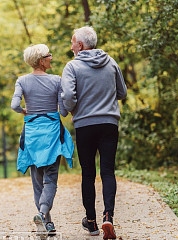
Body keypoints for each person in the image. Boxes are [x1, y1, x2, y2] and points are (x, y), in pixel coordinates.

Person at [61, 26, 127, 239]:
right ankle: (108, 216)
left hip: (85, 125)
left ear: (80, 45)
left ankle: (91, 222)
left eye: (72, 42)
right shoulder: (111, 62)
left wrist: (74, 110)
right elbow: (122, 92)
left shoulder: (72, 67)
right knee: (107, 171)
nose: (71, 46)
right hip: (109, 123)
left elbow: (69, 97)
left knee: (88, 173)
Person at [11, 44, 74, 235]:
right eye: (49, 55)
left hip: (31, 135)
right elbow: (63, 111)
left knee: (37, 180)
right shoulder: (56, 80)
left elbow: (14, 105)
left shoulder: (22, 81)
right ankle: (42, 212)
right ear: (41, 60)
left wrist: (24, 111)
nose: (51, 58)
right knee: (51, 178)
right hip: (52, 134)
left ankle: (47, 222)